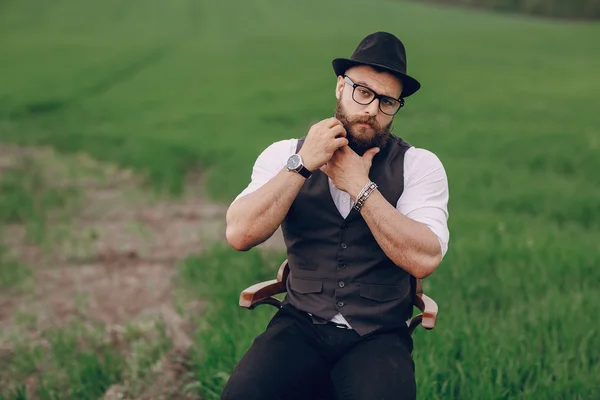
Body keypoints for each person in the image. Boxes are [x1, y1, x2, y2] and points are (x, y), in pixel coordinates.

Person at [222, 31, 449, 400]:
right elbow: (239, 234)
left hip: (378, 334)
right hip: (300, 323)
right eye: (363, 92)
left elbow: (425, 258)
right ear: (340, 87)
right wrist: (300, 167)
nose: (372, 110)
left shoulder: (419, 166)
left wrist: (361, 189)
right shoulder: (284, 155)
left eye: (388, 101)